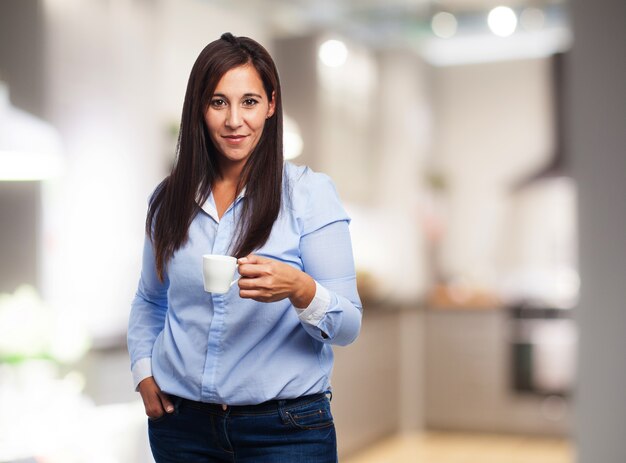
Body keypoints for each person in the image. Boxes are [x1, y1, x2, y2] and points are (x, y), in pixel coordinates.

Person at [127, 32, 362, 463]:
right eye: (219, 102)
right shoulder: (168, 200)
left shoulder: (309, 195)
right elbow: (149, 298)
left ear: (271, 105)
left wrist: (300, 289)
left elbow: (348, 326)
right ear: (200, 107)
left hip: (286, 432)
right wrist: (143, 370)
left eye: (249, 101)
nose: (235, 119)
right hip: (182, 430)